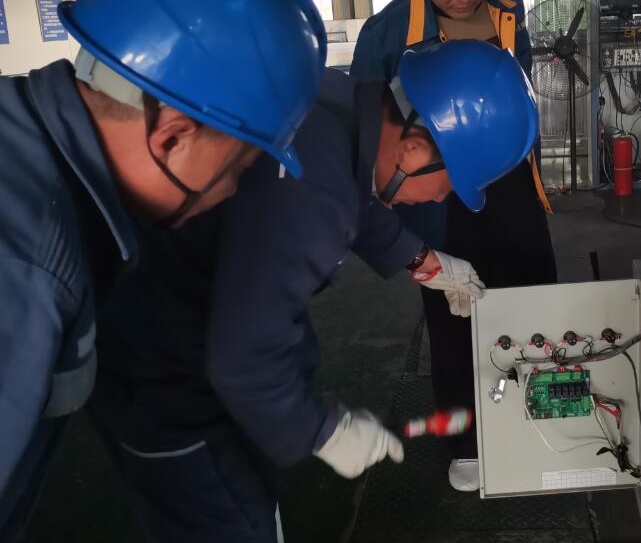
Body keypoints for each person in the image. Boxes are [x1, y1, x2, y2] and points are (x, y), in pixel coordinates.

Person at [89, 40, 537, 543]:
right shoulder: (315, 192)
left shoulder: (335, 100)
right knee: (230, 518)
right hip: (171, 376)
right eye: (451, 184)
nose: (441, 197)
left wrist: (424, 261)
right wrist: (323, 430)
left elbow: (354, 188)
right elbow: (244, 360)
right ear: (413, 149)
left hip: (166, 315)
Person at [0, 0, 326, 542]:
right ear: (173, 135)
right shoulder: (27, 271)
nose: (233, 193)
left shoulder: (25, 139)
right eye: (241, 167)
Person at [350, 0, 558, 491]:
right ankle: (467, 442)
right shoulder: (386, 34)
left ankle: (538, 418)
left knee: (533, 290)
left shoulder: (507, 0)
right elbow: (367, 139)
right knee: (452, 310)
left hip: (508, 174)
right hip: (436, 187)